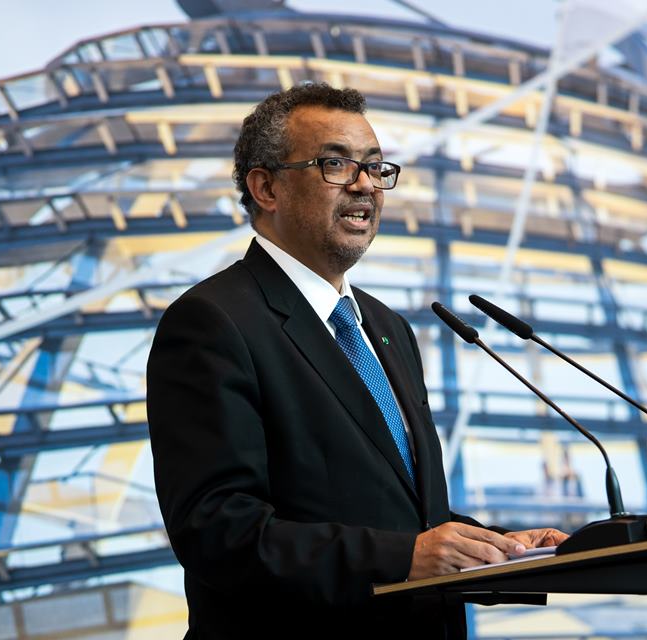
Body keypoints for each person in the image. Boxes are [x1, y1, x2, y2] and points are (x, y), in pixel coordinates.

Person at [147, 83, 567, 639]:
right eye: (336, 164)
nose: (365, 184)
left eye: (374, 166)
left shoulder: (387, 327)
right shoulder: (212, 321)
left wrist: (502, 548)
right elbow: (217, 531)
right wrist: (401, 559)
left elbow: (402, 515)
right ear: (266, 187)